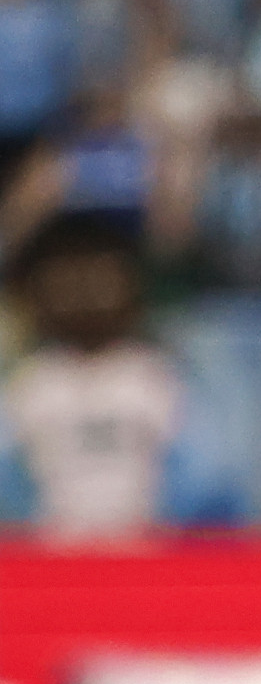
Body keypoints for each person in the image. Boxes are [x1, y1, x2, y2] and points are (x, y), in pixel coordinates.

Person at [1, 212, 182, 539]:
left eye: (101, 280)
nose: (84, 294)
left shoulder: (155, 376)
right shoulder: (28, 383)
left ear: (132, 287)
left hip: (142, 549)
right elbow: (8, 482)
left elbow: (198, 482)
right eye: (66, 283)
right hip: (50, 553)